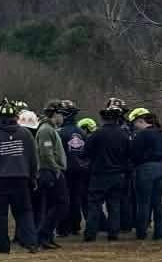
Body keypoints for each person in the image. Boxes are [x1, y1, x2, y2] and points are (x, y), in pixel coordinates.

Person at [0, 99, 39, 254]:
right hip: (21, 179)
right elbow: (33, 159)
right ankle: (31, 242)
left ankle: (3, 247)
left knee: (0, 215)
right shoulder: (26, 134)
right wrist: (33, 177)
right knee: (24, 212)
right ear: (16, 117)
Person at [83, 98, 132, 242]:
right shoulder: (124, 135)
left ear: (104, 118)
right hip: (118, 175)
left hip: (99, 174)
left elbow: (85, 153)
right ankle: (113, 233)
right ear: (118, 118)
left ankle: (90, 234)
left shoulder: (97, 134)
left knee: (94, 205)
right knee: (114, 205)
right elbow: (129, 155)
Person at [128, 108, 162, 240]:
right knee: (157, 202)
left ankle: (141, 232)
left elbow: (134, 154)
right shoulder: (160, 134)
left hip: (145, 169)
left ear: (141, 121)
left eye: (135, 123)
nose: (134, 126)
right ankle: (159, 232)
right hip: (160, 168)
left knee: (143, 203)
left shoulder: (141, 135)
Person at [33, 103, 68, 250]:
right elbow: (46, 153)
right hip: (50, 172)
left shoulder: (50, 129)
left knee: (52, 205)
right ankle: (43, 234)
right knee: (62, 203)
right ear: (55, 114)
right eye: (62, 114)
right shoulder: (46, 130)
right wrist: (56, 170)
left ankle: (47, 237)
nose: (63, 117)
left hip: (51, 171)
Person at [57, 99, 88, 235]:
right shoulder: (82, 132)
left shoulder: (59, 132)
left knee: (64, 198)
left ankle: (64, 228)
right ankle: (75, 226)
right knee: (76, 199)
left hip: (65, 170)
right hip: (80, 170)